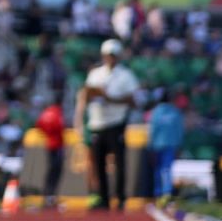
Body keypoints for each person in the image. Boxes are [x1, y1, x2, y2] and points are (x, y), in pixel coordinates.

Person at [78, 38, 139, 211]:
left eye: (113, 55)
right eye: (107, 55)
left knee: (119, 162)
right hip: (97, 123)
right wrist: (95, 94)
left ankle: (120, 197)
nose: (110, 58)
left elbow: (133, 101)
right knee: (98, 162)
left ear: (118, 56)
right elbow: (86, 95)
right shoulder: (96, 73)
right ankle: (102, 197)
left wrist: (109, 98)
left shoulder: (126, 75)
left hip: (116, 122)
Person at [147, 89, 184, 205]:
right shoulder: (175, 112)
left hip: (157, 145)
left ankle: (158, 193)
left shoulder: (156, 112)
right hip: (171, 145)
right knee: (167, 168)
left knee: (158, 169)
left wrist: (150, 146)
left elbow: (153, 131)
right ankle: (167, 193)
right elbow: (179, 130)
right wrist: (179, 145)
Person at [36, 98, 67, 206]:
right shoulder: (57, 112)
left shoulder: (45, 113)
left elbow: (39, 125)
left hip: (49, 144)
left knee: (50, 170)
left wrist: (48, 135)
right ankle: (51, 195)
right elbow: (61, 126)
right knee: (56, 171)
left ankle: (48, 194)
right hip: (57, 145)